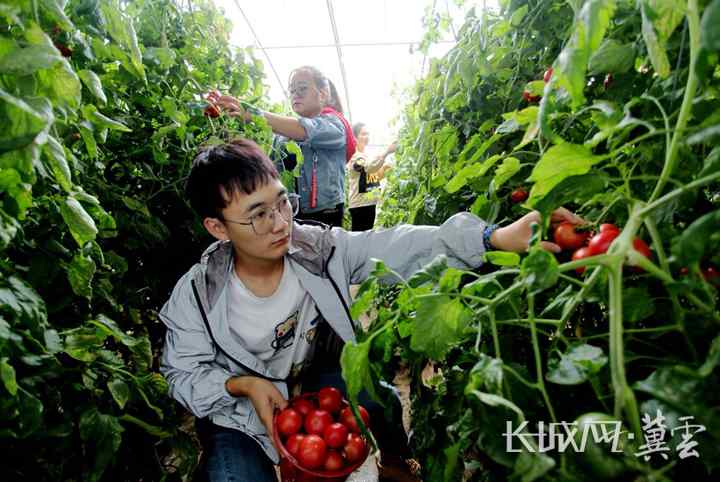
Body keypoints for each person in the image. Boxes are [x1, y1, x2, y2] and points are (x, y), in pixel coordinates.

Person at [159, 138, 583, 481]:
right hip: (238, 412)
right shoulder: (198, 295)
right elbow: (181, 373)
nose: (280, 223)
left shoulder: (317, 250)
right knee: (232, 475)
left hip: (309, 381)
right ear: (217, 227)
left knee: (378, 400)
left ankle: (397, 462)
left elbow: (397, 245)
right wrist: (243, 386)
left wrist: (491, 238)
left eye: (282, 203)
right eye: (258, 215)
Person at [214, 66, 354, 227]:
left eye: (302, 88)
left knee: (323, 243)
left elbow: (306, 130)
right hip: (293, 211)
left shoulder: (335, 125)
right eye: (292, 91)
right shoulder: (283, 134)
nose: (296, 94)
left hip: (326, 212)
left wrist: (252, 113)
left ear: (322, 94)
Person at [347, 122, 396, 231]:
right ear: (354, 137)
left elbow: (373, 176)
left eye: (368, 134)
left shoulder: (365, 156)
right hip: (360, 205)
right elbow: (368, 168)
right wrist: (387, 152)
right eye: (363, 134)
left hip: (369, 203)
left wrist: (384, 169)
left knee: (366, 236)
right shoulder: (354, 157)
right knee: (360, 237)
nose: (367, 137)